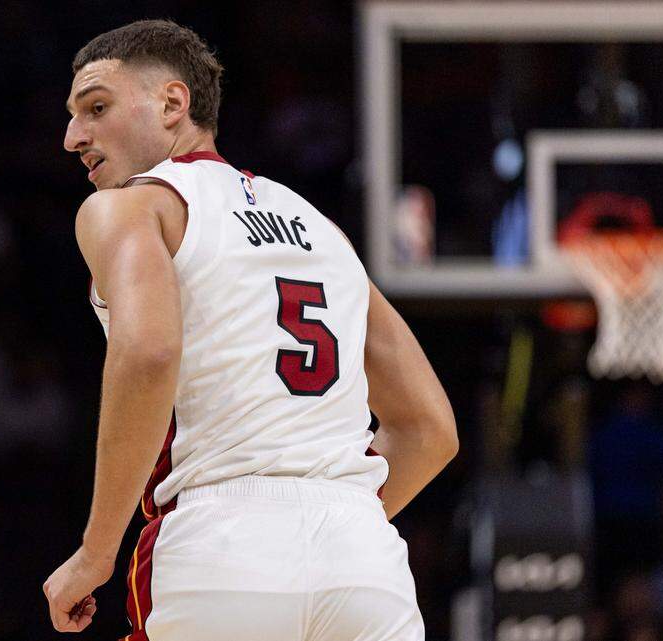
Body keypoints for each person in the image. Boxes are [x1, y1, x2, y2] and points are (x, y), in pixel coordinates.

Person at [41, 19, 457, 641]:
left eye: (95, 107)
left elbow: (149, 352)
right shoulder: (321, 228)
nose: (74, 136)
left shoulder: (130, 206)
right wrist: (327, 523)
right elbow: (430, 430)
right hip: (365, 558)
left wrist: (97, 553)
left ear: (173, 104)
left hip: (221, 542)